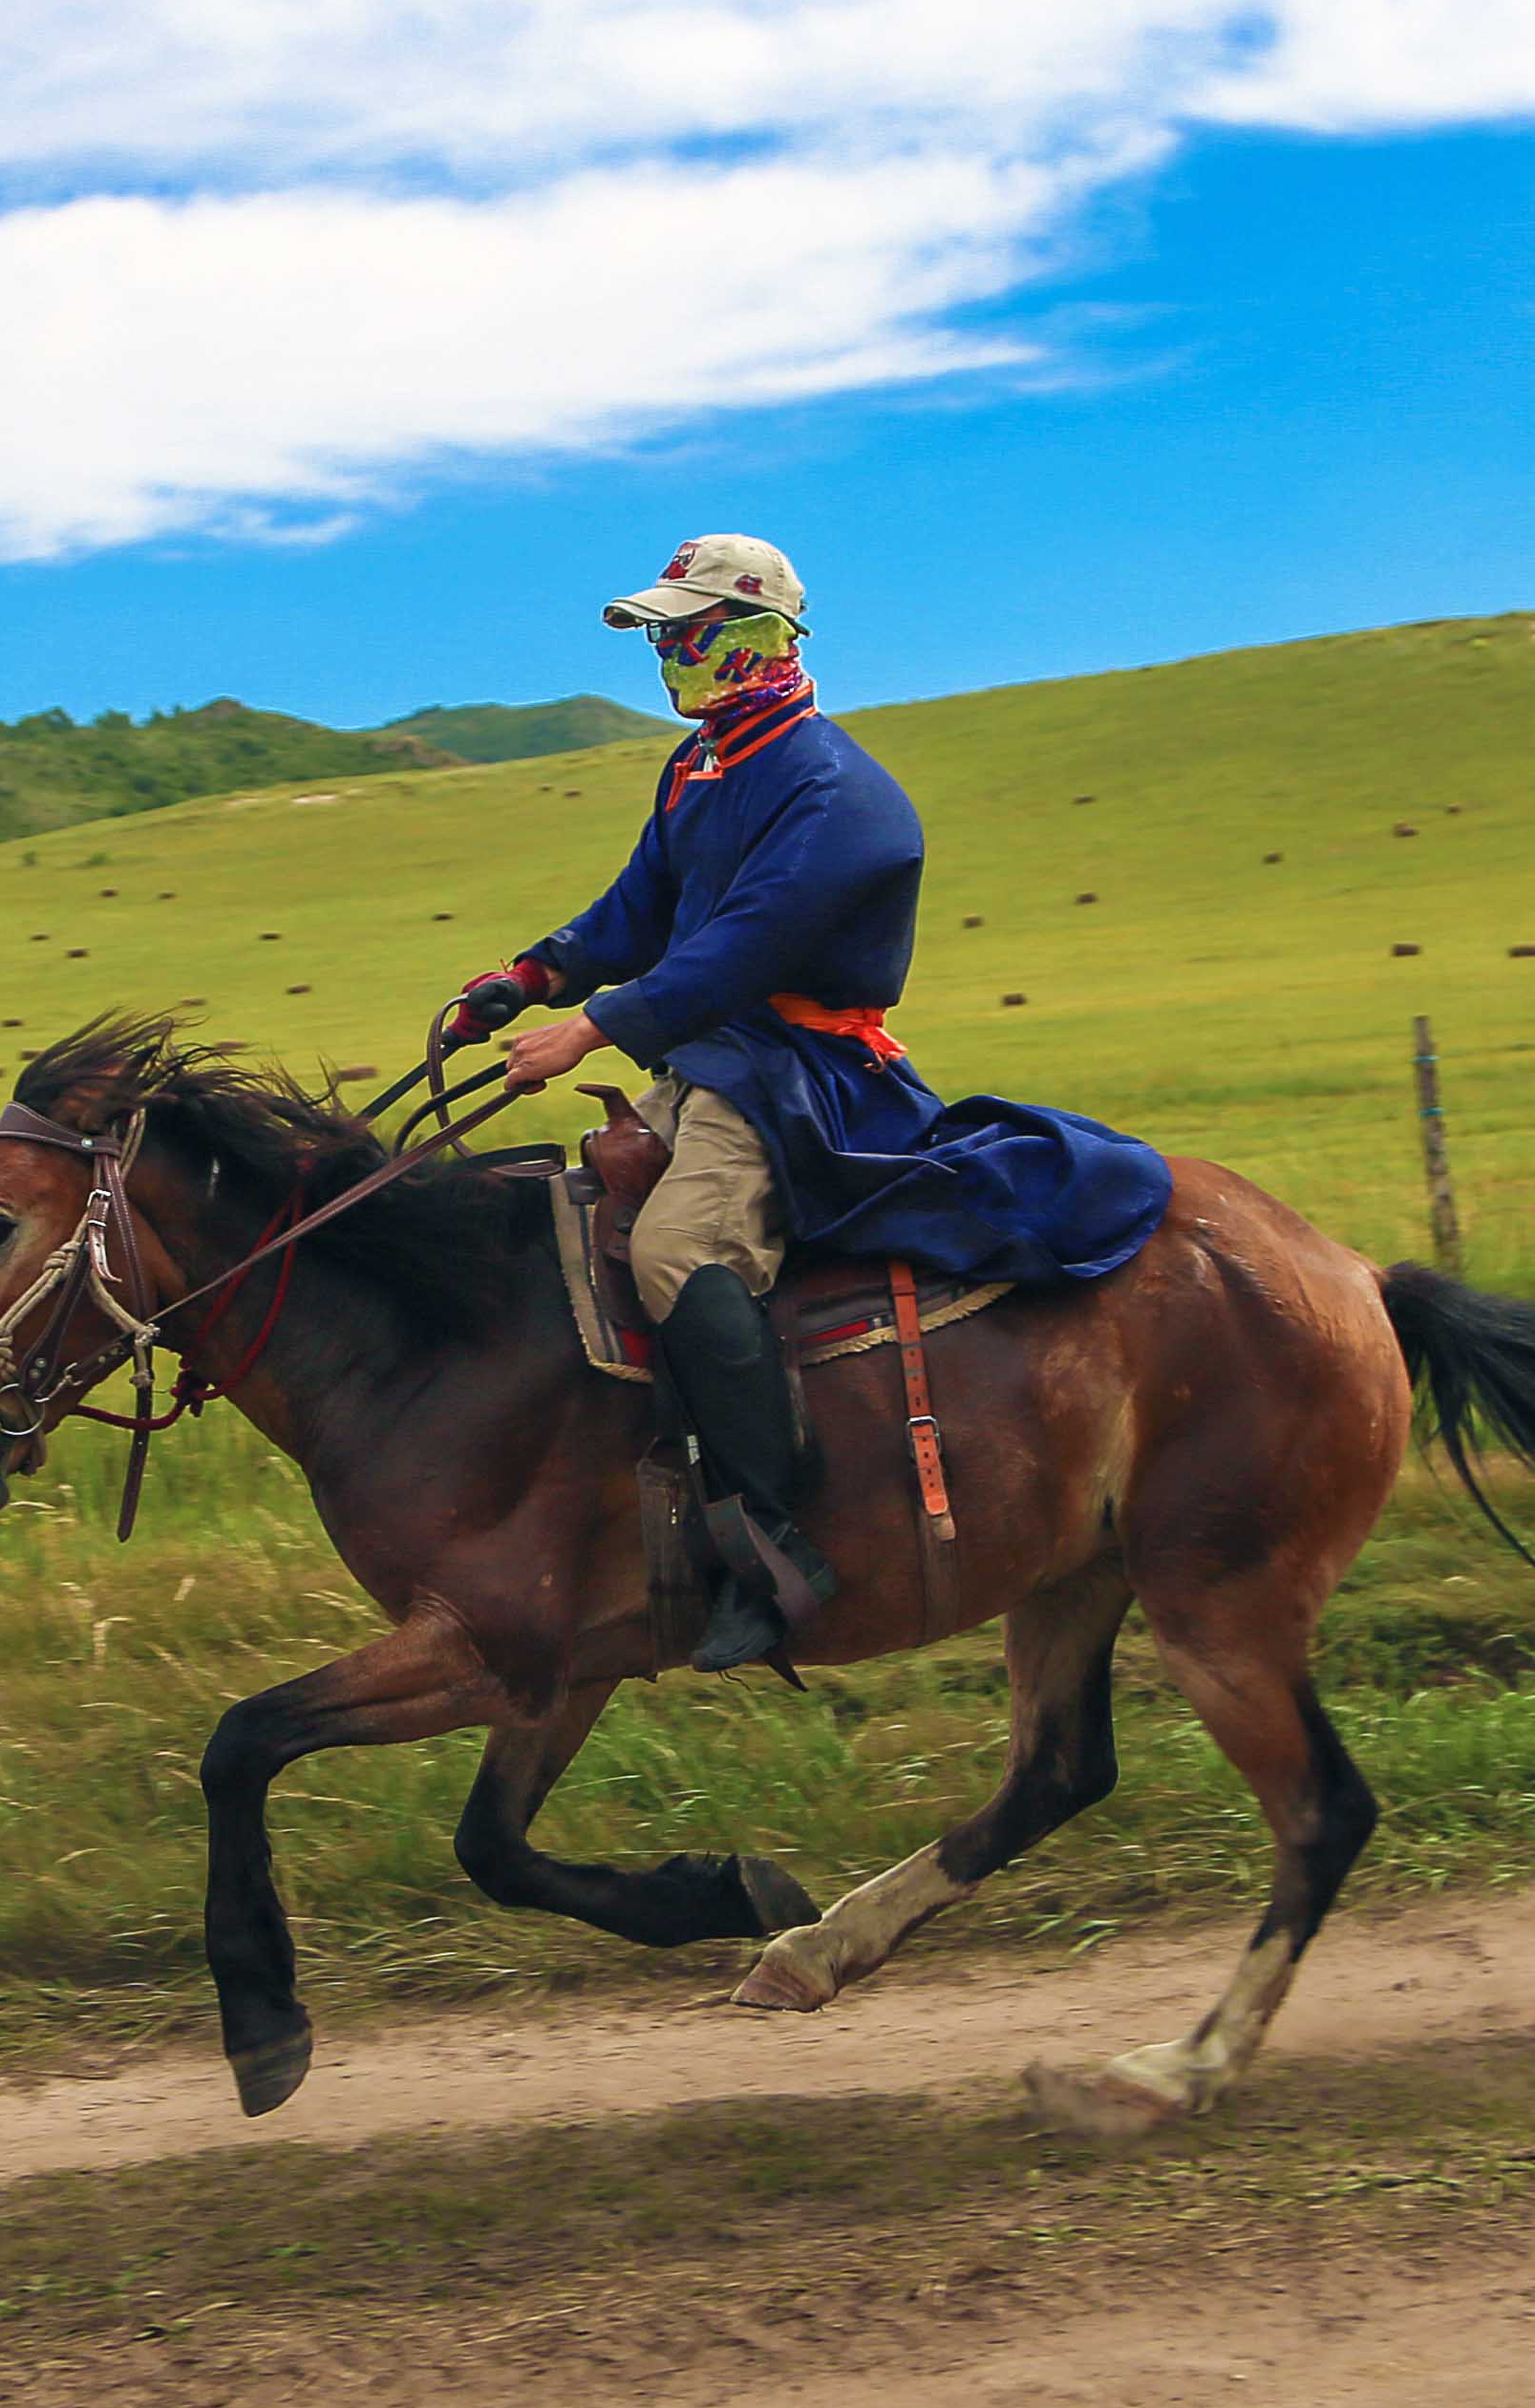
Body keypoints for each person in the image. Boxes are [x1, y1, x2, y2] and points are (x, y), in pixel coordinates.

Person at [450, 532, 1171, 1668]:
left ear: (750, 638)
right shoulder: (704, 767)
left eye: (682, 632)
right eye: (662, 635)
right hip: (713, 1061)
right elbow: (638, 909)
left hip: (802, 1077)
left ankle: (776, 1539)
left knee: (679, 1250)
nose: (666, 654)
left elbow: (743, 948)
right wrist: (527, 978)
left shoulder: (835, 790)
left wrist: (588, 1029)